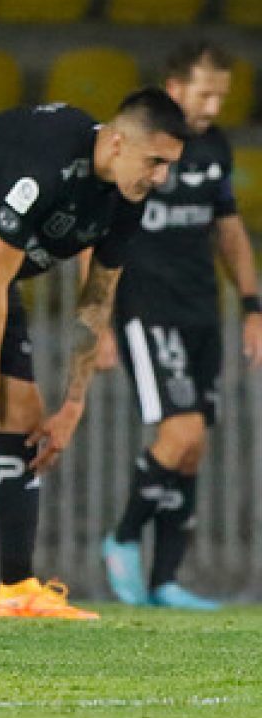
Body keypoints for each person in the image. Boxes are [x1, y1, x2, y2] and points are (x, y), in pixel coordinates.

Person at [0, 91, 191, 620]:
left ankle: (17, 588)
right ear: (117, 143)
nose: (161, 177)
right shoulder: (45, 168)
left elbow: (96, 298)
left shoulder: (126, 199)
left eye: (170, 166)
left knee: (23, 416)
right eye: (155, 161)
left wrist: (73, 404)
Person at [100, 42, 262, 610]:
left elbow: (229, 231)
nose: (214, 104)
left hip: (200, 310)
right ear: (175, 87)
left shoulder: (214, 147)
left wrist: (251, 306)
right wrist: (96, 321)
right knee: (182, 432)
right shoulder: (145, 148)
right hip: (150, 308)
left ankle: (164, 580)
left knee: (194, 450)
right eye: (204, 92)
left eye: (221, 94)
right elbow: (101, 232)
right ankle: (121, 538)